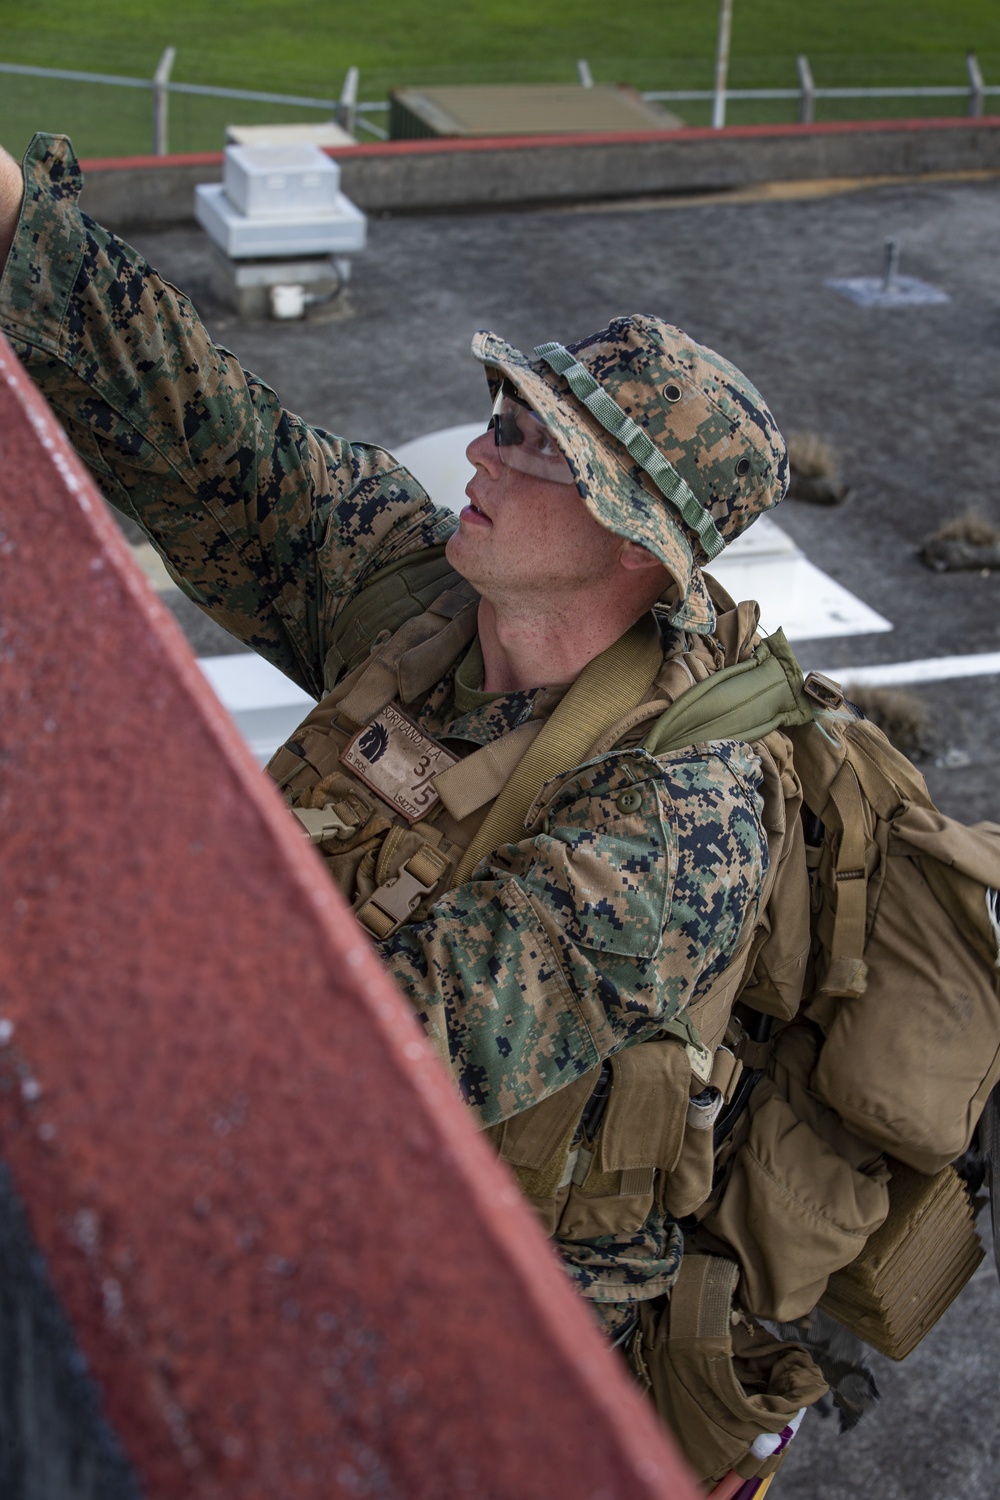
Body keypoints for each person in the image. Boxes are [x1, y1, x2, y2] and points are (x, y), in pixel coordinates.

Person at [0, 134, 828, 1480]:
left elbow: (387, 1058)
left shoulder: (678, 825)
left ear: (631, 539)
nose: (482, 453)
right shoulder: (426, 595)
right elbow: (213, 434)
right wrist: (18, 220)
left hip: (493, 1348)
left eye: (528, 444)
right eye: (500, 415)